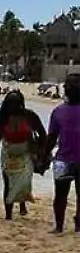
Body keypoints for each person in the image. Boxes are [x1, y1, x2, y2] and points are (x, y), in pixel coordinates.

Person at [0, 91, 46, 220]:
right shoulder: (3, 119)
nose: (14, 106)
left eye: (17, 103)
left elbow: (42, 134)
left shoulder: (30, 116)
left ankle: (22, 204)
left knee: (24, 181)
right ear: (7, 104)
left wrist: (42, 153)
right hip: (8, 154)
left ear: (21, 103)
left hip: (26, 153)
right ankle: (8, 215)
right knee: (8, 184)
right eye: (11, 103)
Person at [41, 73, 80, 233]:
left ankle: (59, 226)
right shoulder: (58, 111)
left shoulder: (58, 111)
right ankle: (78, 225)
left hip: (63, 159)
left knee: (60, 195)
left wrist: (44, 155)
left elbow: (51, 138)